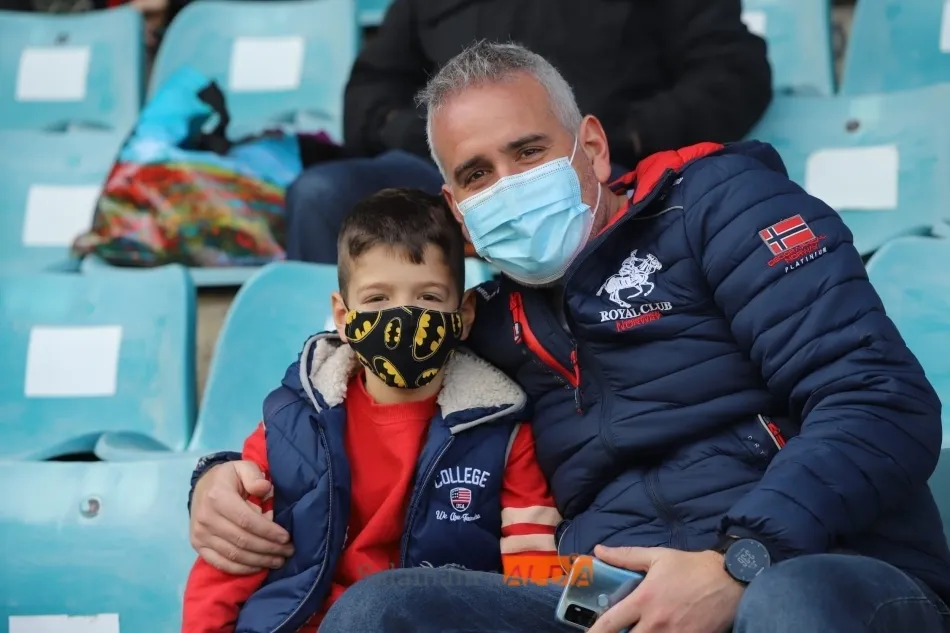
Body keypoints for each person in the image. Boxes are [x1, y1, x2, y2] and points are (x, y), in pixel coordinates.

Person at [187, 42, 950, 633]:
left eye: (528, 152)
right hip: (611, 594)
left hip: (814, 561)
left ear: (591, 147)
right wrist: (218, 476)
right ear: (459, 212)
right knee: (385, 611)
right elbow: (350, 388)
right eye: (478, 173)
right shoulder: (482, 323)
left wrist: (739, 561)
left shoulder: (721, 205)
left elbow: (880, 400)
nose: (509, 185)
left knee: (789, 602)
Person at [181, 188, 562, 633]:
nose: (402, 316)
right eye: (378, 299)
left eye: (428, 298)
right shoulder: (290, 427)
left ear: (465, 313)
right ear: (343, 317)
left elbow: (535, 572)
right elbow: (232, 556)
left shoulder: (503, 430)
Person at [286, 0, 772, 264]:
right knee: (322, 194)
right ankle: (332, 385)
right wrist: (439, 154)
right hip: (447, 177)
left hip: (584, 169)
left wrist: (624, 136)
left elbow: (734, 72)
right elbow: (369, 89)